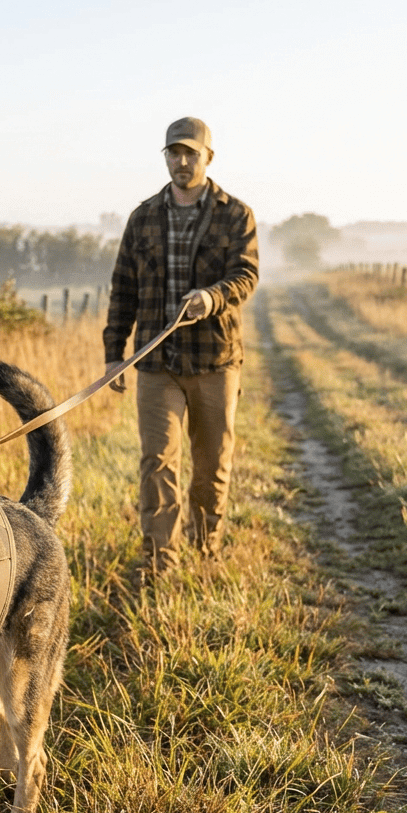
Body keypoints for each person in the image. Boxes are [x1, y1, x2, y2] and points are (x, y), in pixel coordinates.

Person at [103, 116, 259, 575]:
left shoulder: (236, 214)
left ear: (208, 157)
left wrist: (212, 296)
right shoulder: (144, 216)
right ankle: (159, 560)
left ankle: (205, 546)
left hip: (215, 359)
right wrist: (115, 353)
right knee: (157, 461)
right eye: (175, 152)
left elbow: (246, 275)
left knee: (211, 463)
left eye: (192, 153)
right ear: (166, 156)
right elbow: (123, 288)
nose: (182, 160)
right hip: (157, 361)